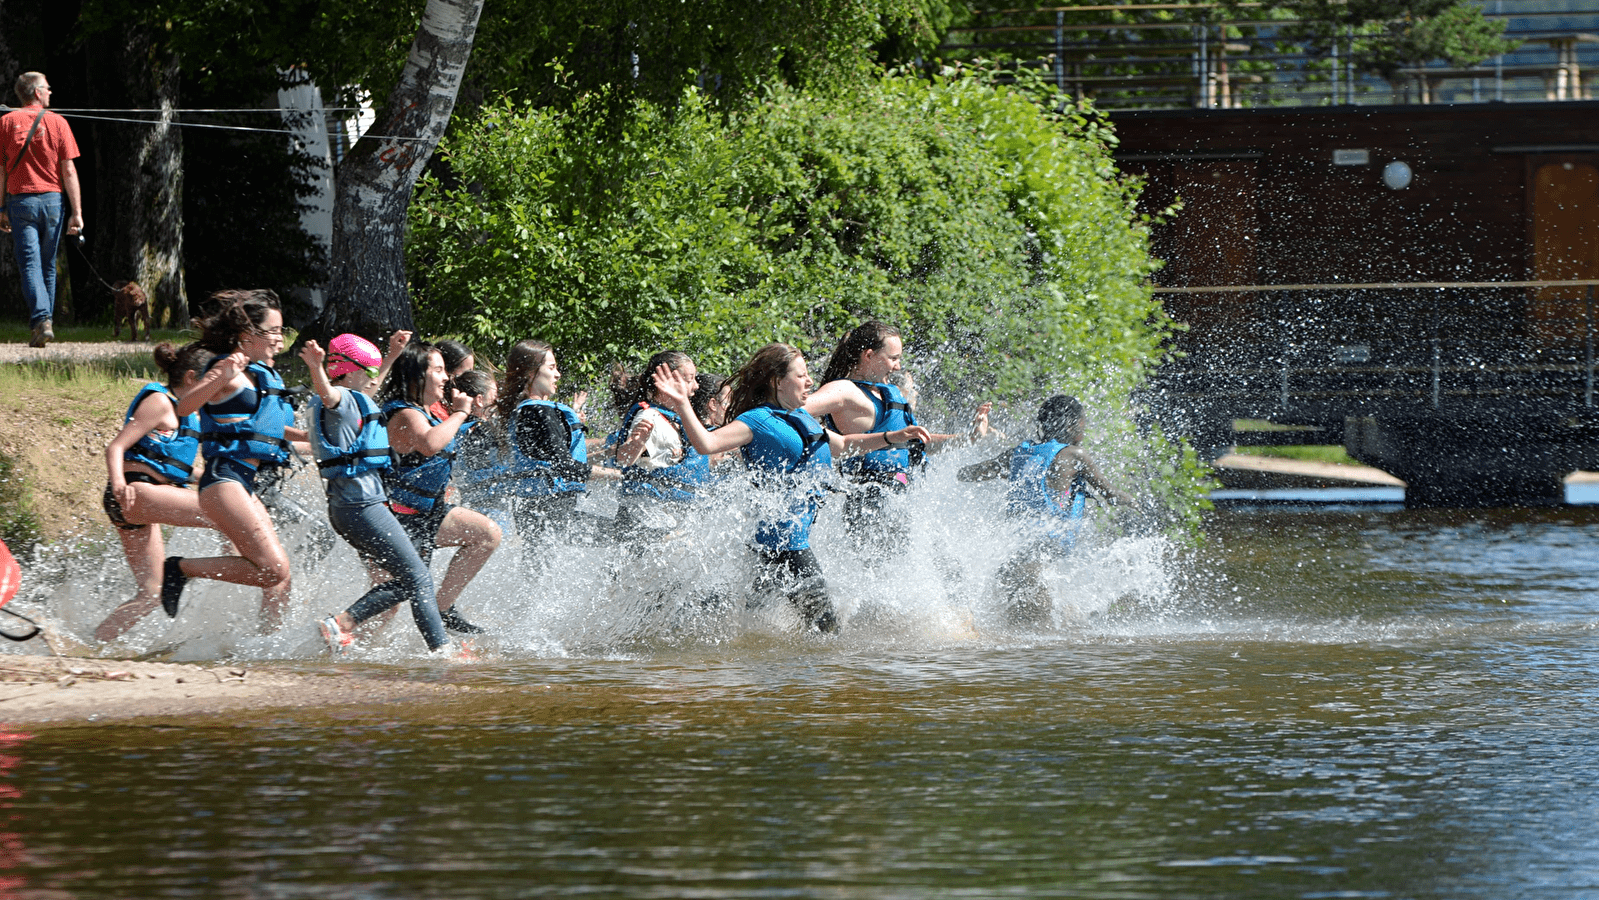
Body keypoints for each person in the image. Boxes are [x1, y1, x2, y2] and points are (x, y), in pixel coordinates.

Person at [651, 343, 930, 633]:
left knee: (757, 632)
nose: (810, 381)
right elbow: (706, 444)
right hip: (784, 546)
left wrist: (893, 436)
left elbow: (844, 445)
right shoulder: (757, 420)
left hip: (774, 547)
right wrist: (683, 404)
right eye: (801, 375)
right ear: (777, 382)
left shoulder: (801, 417)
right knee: (827, 633)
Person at [299, 335, 456, 657]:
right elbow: (329, 393)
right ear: (347, 369)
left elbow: (363, 391)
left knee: (409, 579)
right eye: (367, 370)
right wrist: (316, 367)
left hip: (348, 507)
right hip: (363, 505)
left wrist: (392, 356)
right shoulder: (335, 398)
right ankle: (442, 652)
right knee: (419, 579)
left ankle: (343, 627)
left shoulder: (350, 401)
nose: (374, 377)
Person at [166, 290, 306, 633]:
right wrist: (219, 375)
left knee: (279, 576)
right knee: (273, 569)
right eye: (273, 331)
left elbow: (266, 428)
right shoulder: (227, 369)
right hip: (223, 480)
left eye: (281, 330)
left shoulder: (260, 376)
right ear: (248, 336)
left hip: (243, 483)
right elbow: (184, 407)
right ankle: (180, 568)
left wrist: (313, 440)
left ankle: (267, 642)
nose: (279, 339)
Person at [805, 321, 989, 558]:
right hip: (870, 503)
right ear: (869, 355)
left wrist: (970, 438)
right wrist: (830, 441)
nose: (898, 366)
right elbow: (793, 410)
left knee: (948, 569)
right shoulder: (844, 391)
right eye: (893, 358)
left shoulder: (887, 393)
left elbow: (914, 443)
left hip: (902, 499)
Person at [956, 395, 1135, 626]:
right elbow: (1111, 495)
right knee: (1044, 635)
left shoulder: (1020, 454)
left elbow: (967, 474)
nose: (1085, 430)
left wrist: (1010, 472)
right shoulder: (1074, 455)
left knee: (1029, 631)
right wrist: (1133, 501)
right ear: (1071, 425)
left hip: (1013, 558)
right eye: (1083, 424)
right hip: (1039, 562)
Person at [94, 342, 218, 642]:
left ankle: (94, 642)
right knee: (227, 513)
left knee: (151, 594)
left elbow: (173, 466)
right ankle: (223, 573)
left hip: (143, 498)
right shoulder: (160, 402)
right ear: (191, 378)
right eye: (213, 382)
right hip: (134, 493)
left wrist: (215, 478)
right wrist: (121, 484)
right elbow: (116, 447)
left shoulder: (188, 412)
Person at [378, 341, 502, 635]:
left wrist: (471, 416)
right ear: (417, 376)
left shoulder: (431, 414)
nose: (447, 378)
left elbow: (445, 440)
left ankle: (443, 608)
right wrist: (461, 414)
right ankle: (346, 644)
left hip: (426, 514)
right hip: (390, 518)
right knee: (390, 602)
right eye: (439, 370)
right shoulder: (405, 414)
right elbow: (430, 444)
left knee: (487, 534)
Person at [498, 340, 619, 569]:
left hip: (535, 510)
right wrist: (625, 476)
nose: (558, 374)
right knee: (631, 532)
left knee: (538, 574)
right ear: (531, 372)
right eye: (551, 368)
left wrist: (609, 451)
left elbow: (557, 460)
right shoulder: (539, 411)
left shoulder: (525, 409)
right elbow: (566, 468)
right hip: (552, 511)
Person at [0, 72, 82, 348]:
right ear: (36, 92)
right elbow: (68, 171)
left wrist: (0, 207)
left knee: (30, 264)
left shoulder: (6, 122)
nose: (50, 92)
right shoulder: (58, 122)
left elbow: (1, 172)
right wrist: (77, 212)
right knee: (47, 264)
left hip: (21, 202)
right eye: (47, 88)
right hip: (53, 203)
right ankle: (44, 322)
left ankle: (41, 320)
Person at [608, 351, 715, 544]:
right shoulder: (648, 416)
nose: (696, 386)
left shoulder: (672, 417)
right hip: (646, 520)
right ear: (668, 381)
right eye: (690, 379)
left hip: (664, 518)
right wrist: (636, 444)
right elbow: (624, 458)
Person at [427, 339, 474, 419]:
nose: (471, 379)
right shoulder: (432, 407)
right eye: (466, 374)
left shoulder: (450, 404)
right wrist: (460, 413)